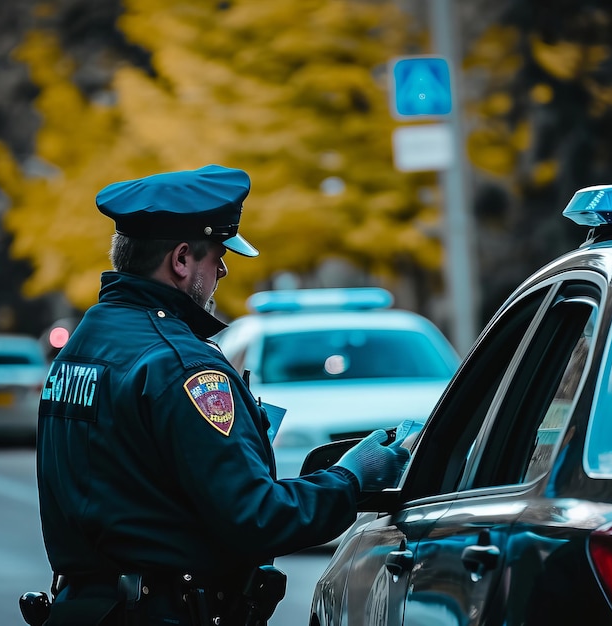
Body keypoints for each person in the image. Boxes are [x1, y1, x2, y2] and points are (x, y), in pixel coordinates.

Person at [32, 164, 411, 626]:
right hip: (163, 612)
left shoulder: (82, 345)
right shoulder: (182, 365)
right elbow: (255, 517)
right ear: (182, 258)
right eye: (218, 256)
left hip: (85, 609)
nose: (224, 270)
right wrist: (351, 479)